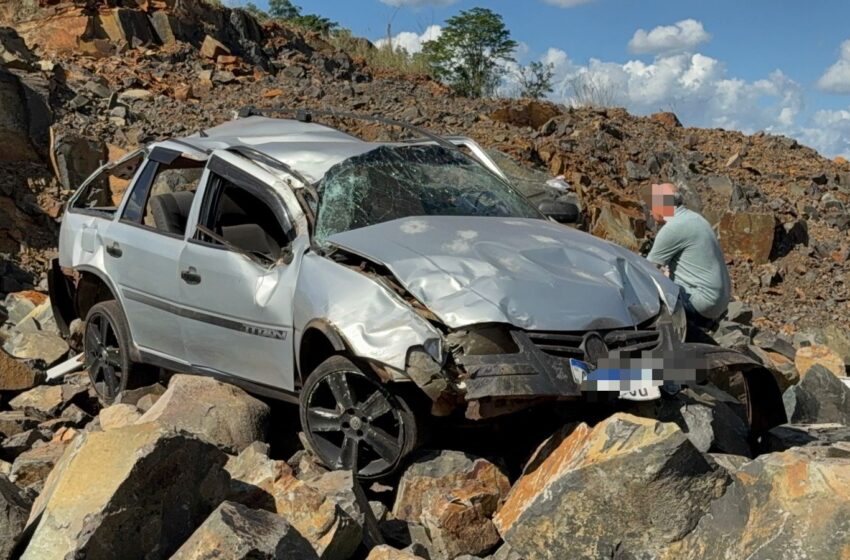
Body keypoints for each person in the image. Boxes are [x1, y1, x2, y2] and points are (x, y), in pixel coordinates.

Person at [646, 183, 731, 330]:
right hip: (719, 301)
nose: (650, 211)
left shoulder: (673, 228)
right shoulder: (695, 219)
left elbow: (647, 270)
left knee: (646, 296)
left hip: (702, 302)